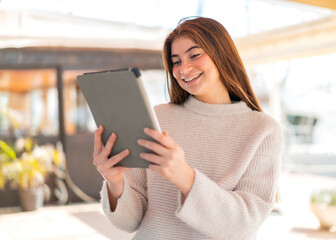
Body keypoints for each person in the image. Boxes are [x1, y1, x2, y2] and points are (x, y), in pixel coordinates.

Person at [93, 17, 282, 240]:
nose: (184, 68)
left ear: (221, 54)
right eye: (176, 61)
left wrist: (186, 177)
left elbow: (244, 225)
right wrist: (115, 183)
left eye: (195, 55)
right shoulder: (157, 118)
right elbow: (130, 221)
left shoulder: (262, 130)